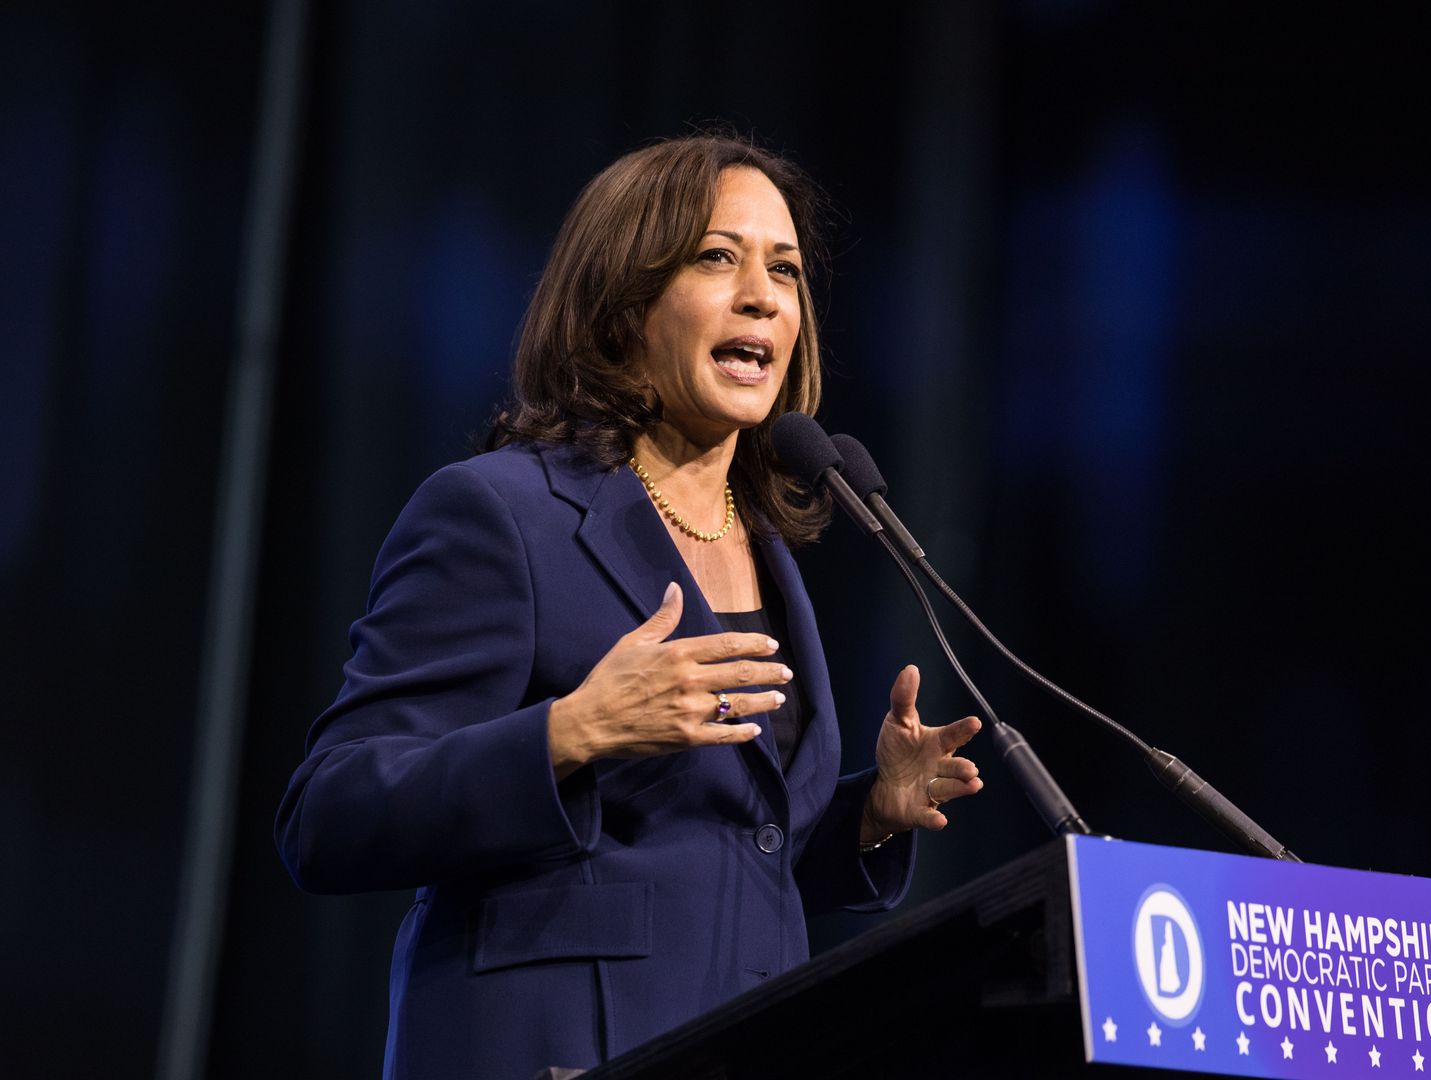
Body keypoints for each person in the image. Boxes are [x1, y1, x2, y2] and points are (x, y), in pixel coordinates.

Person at [274, 133, 984, 1080]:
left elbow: (715, 856)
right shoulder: (502, 513)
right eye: (716, 258)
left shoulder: (766, 546)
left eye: (785, 269)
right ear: (623, 306)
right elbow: (330, 814)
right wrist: (569, 733)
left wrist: (870, 817)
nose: (763, 296)